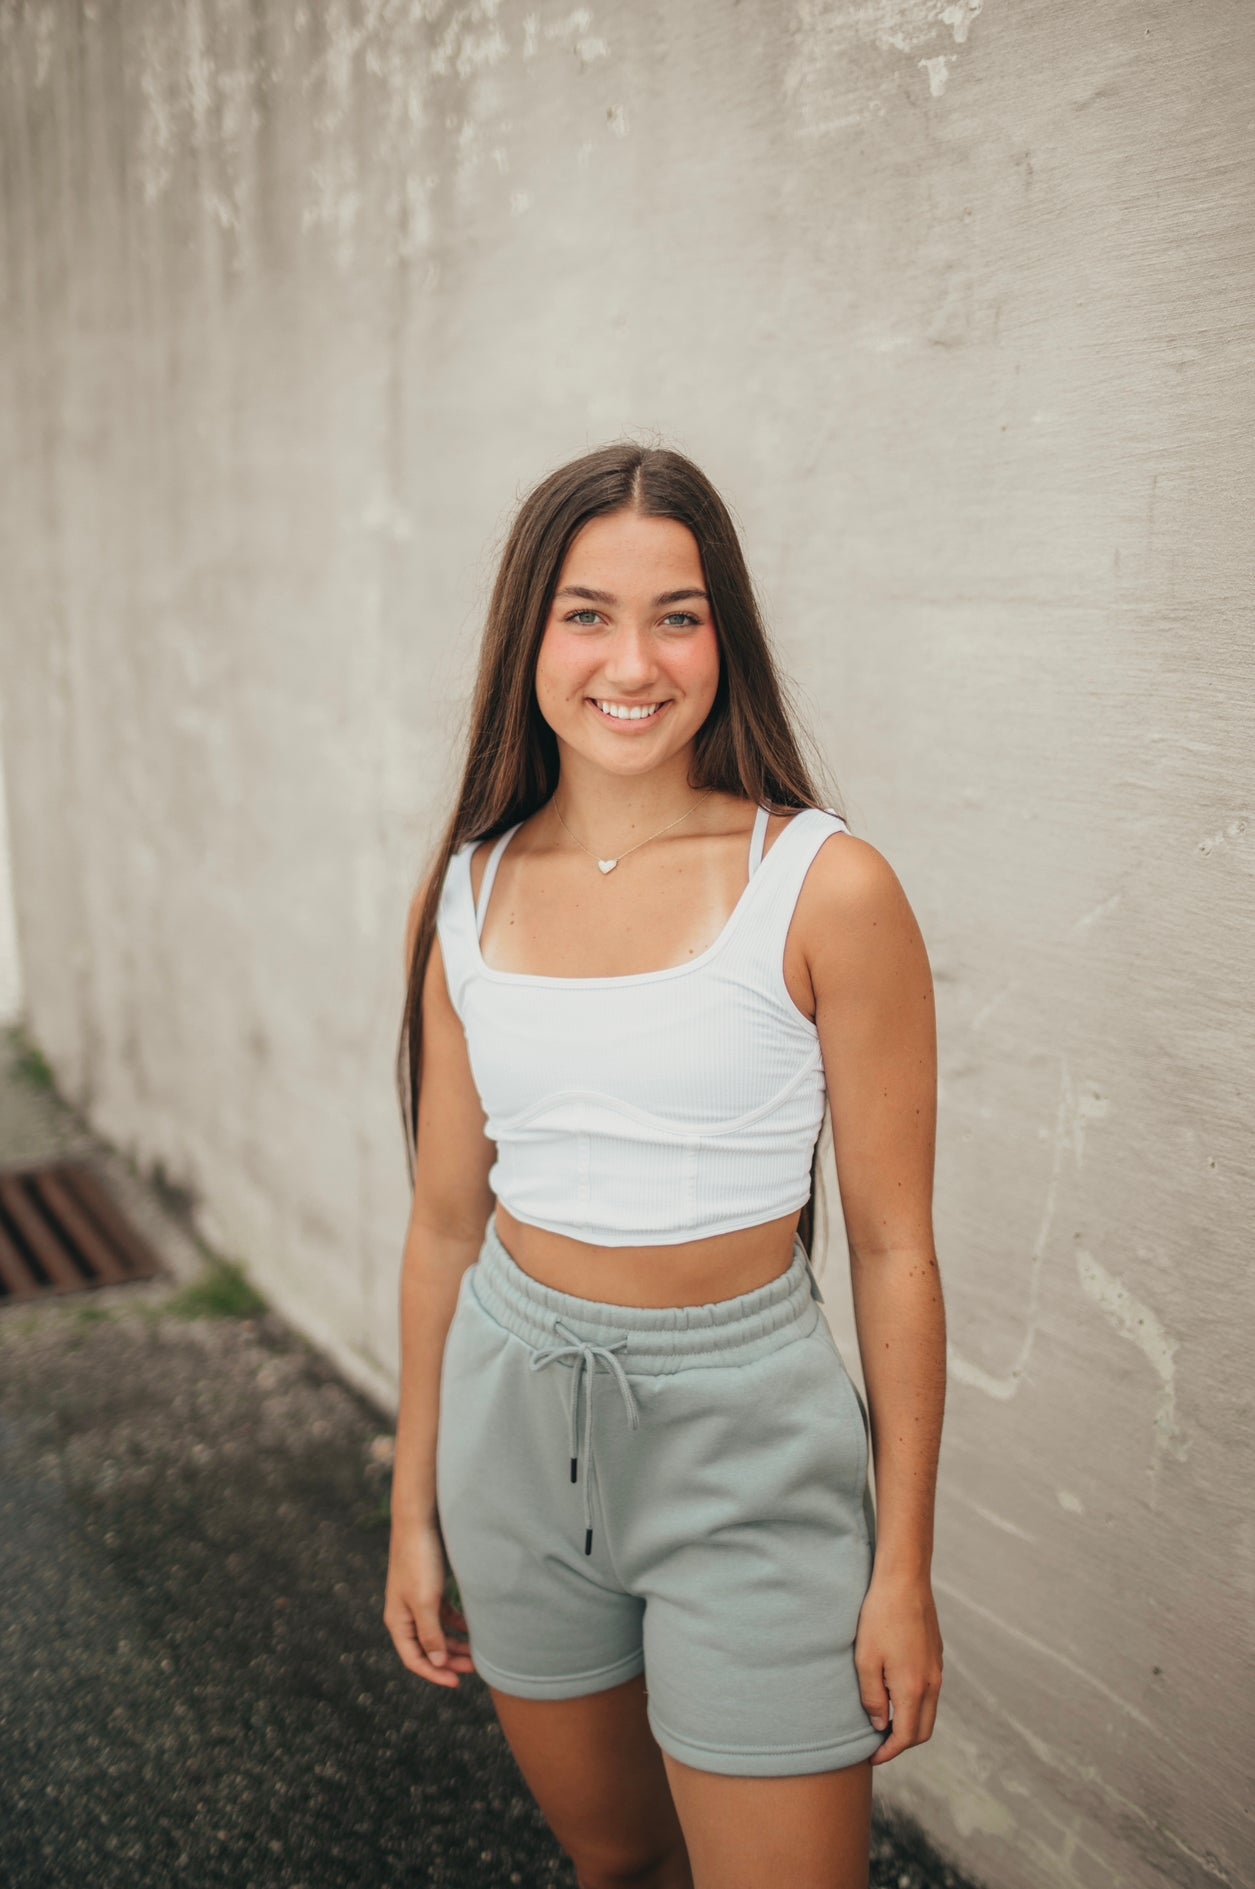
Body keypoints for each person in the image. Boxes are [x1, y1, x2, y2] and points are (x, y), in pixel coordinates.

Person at [386, 441, 946, 1889]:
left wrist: (901, 1567)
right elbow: (447, 1224)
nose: (633, 659)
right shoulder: (469, 888)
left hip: (749, 1448)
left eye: (678, 614)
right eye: (587, 612)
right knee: (618, 1867)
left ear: (724, 637)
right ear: (530, 638)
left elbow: (893, 1251)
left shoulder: (825, 885)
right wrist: (415, 1510)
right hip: (511, 1427)